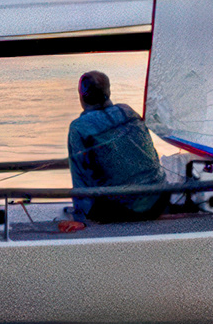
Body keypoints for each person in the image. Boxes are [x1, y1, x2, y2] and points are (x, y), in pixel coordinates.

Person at [66, 67, 171, 225]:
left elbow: (80, 177)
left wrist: (80, 218)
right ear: (108, 92)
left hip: (122, 211)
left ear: (81, 96)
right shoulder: (127, 111)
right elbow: (151, 154)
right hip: (160, 201)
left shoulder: (79, 128)